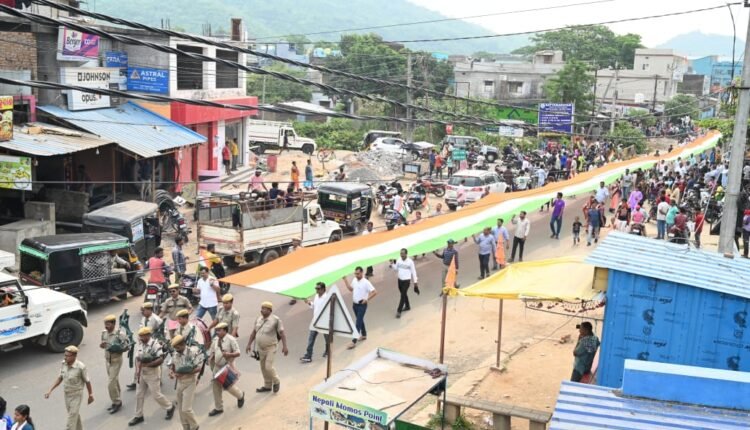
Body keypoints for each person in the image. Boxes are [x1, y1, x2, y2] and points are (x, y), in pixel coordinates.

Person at [128, 327, 175, 426]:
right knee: (139, 394)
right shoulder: (141, 344)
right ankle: (138, 415)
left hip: (152, 373)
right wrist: (137, 371)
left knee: (156, 395)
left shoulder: (155, 345)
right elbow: (137, 358)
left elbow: (160, 359)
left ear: (148, 335)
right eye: (140, 336)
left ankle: (170, 407)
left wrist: (148, 364)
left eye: (142, 336)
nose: (140, 338)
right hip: (142, 373)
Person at [44, 345, 94, 430]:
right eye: (65, 355)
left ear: (74, 356)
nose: (65, 357)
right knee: (74, 415)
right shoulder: (64, 364)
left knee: (71, 420)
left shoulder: (81, 367)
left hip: (76, 395)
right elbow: (60, 378)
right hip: (67, 395)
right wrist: (50, 390)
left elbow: (87, 381)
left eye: (68, 356)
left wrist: (90, 395)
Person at [245, 303, 288, 393]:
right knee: (263, 368)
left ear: (270, 310)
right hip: (261, 348)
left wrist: (285, 346)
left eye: (264, 309)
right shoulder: (258, 319)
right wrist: (249, 344)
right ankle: (267, 385)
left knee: (268, 367)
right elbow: (253, 332)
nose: (262, 310)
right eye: (262, 308)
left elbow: (282, 334)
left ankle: (276, 381)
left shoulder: (276, 320)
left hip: (271, 347)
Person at [208, 323, 245, 415]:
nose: (217, 332)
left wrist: (229, 354)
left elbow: (238, 353)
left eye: (219, 330)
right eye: (216, 330)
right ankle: (219, 408)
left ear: (225, 330)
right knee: (216, 387)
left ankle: (240, 395)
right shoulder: (216, 339)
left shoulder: (231, 339)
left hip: (226, 367)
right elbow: (213, 350)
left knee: (228, 387)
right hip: (217, 367)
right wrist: (211, 356)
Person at [168, 335, 203, 430]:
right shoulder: (175, 354)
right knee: (180, 409)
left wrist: (184, 373)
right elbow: (172, 365)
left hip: (190, 382)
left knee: (186, 409)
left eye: (178, 347)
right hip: (180, 383)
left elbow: (198, 368)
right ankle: (186, 427)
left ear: (183, 344)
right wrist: (171, 372)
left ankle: (195, 426)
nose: (176, 349)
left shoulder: (192, 352)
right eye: (175, 347)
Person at [126, 303, 162, 391]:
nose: (142, 312)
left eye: (144, 310)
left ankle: (158, 379)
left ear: (149, 310)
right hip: (143, 343)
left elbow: (162, 331)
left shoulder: (156, 319)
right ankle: (136, 380)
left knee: (155, 360)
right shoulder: (143, 318)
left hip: (152, 344)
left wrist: (158, 342)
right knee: (138, 360)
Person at [100, 314, 130, 414]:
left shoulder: (120, 334)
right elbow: (103, 344)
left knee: (110, 383)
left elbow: (127, 347)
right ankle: (117, 397)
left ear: (113, 324)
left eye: (108, 324)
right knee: (114, 380)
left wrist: (118, 348)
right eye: (105, 324)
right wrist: (102, 345)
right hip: (107, 360)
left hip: (116, 361)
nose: (106, 326)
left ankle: (117, 402)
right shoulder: (104, 333)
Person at [342, 268, 377, 349]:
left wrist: (367, 299)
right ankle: (364, 335)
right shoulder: (354, 280)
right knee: (360, 320)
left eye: (358, 273)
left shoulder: (366, 282)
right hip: (355, 305)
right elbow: (351, 289)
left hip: (362, 305)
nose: (356, 275)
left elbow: (375, 292)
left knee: (358, 322)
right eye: (355, 273)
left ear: (362, 273)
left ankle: (353, 341)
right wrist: (345, 280)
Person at [300, 282, 330, 363]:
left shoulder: (327, 298)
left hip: (323, 322)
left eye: (318, 289)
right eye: (316, 288)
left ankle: (328, 351)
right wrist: (309, 303)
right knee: (311, 338)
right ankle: (308, 355)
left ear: (323, 289)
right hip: (315, 321)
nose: (316, 290)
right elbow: (314, 306)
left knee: (327, 338)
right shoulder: (316, 296)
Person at [389, 248, 419, 319]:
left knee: (402, 296)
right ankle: (407, 306)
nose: (401, 255)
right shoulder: (398, 260)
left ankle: (399, 311)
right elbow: (396, 268)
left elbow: (414, 272)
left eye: (403, 253)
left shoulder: (410, 262)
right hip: (399, 280)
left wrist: (415, 282)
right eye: (401, 253)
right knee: (403, 294)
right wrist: (392, 264)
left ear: (406, 254)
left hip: (406, 281)